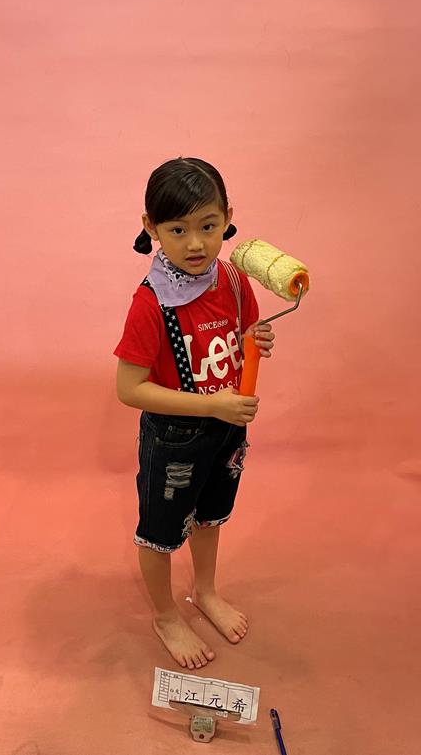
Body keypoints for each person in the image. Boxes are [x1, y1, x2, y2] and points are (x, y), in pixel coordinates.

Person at [114, 158, 275, 670]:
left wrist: (255, 342)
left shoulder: (233, 280)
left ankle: (205, 591)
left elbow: (242, 332)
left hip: (226, 431)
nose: (196, 244)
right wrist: (212, 404)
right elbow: (129, 389)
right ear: (151, 228)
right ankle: (165, 615)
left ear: (228, 217)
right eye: (178, 230)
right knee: (159, 532)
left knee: (210, 516)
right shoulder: (150, 305)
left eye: (208, 226)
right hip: (175, 439)